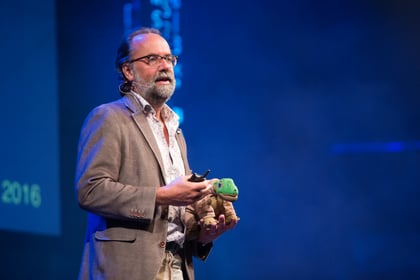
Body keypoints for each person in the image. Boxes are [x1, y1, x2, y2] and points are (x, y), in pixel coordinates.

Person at [74, 27, 238, 280]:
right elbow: (90, 191)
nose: (164, 66)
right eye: (152, 59)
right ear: (128, 70)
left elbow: (173, 220)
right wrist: (161, 195)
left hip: (178, 268)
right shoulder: (109, 117)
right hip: (128, 269)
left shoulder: (175, 130)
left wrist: (204, 235)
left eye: (169, 58)